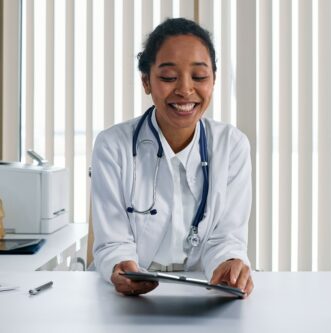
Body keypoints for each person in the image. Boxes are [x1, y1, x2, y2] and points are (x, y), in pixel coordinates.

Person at [91, 17, 253, 297]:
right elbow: (112, 241)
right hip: (130, 299)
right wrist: (122, 267)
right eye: (168, 77)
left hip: (204, 293)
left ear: (213, 80)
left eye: (199, 77)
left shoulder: (232, 145)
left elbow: (227, 238)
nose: (185, 89)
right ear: (146, 81)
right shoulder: (112, 146)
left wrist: (229, 264)